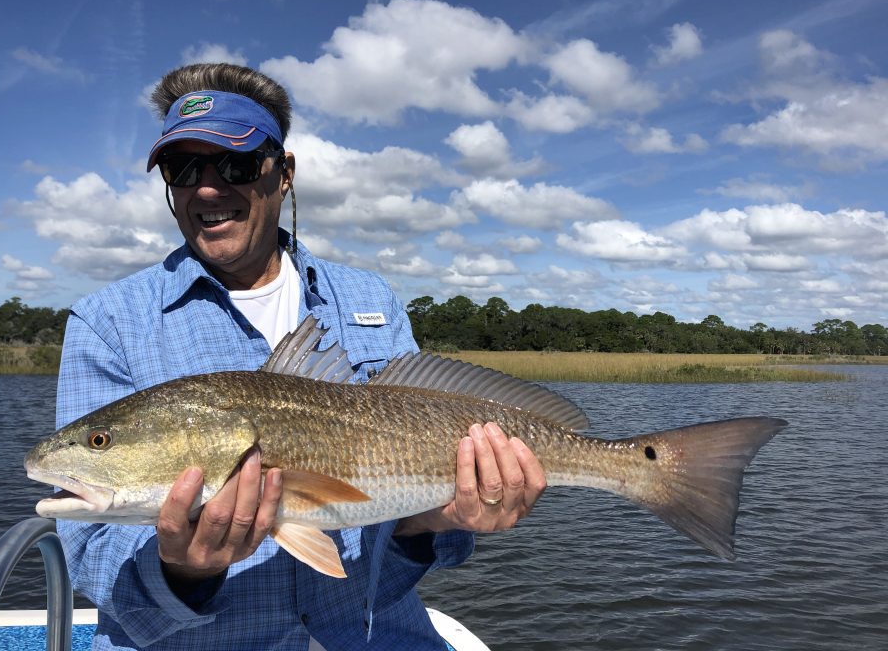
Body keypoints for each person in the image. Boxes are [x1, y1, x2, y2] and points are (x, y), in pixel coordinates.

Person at [55, 62, 547, 650]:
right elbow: (87, 554)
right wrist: (185, 570)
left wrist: (437, 520)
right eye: (182, 168)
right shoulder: (107, 322)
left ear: (283, 173)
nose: (207, 188)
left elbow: (398, 555)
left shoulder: (371, 299)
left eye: (235, 164)